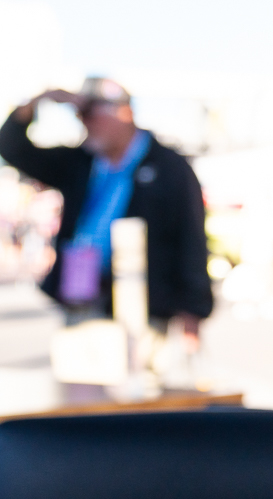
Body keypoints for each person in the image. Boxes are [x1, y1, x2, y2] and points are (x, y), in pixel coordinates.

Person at [0, 77, 212, 343]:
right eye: (81, 115)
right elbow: (12, 147)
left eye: (92, 114)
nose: (85, 123)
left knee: (140, 368)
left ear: (124, 113)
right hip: (81, 299)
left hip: (143, 305)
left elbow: (191, 237)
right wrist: (38, 101)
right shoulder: (81, 161)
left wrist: (193, 310)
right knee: (79, 367)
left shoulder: (169, 167)